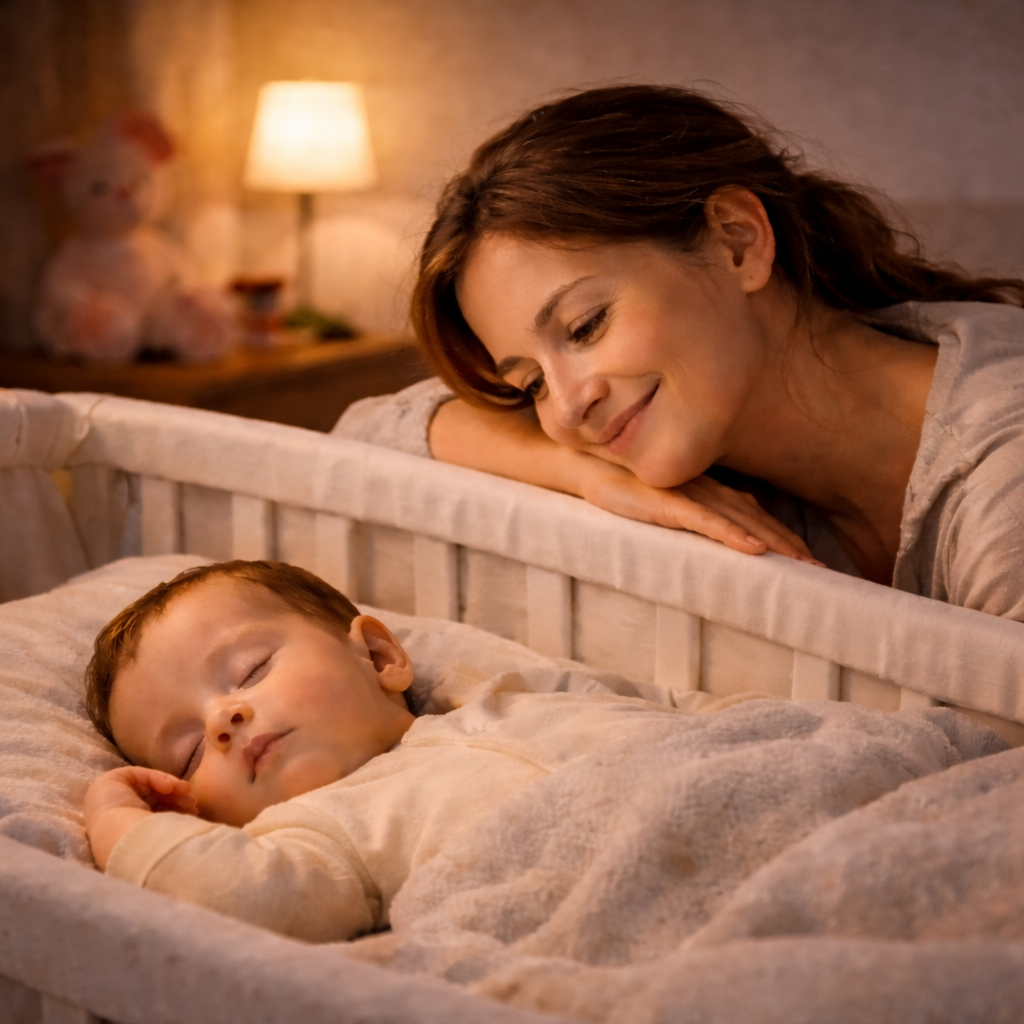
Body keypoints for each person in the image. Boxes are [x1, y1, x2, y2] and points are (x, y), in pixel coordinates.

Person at [335, 85, 1024, 620]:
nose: (570, 406)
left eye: (586, 326)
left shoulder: (1003, 473)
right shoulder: (718, 456)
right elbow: (364, 438)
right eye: (532, 385)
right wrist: (583, 475)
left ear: (737, 241)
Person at [82, 558, 737, 941]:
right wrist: (118, 821)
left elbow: (673, 710)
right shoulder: (320, 837)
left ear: (378, 655)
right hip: (641, 922)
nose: (224, 718)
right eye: (191, 752)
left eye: (251, 670)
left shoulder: (498, 694)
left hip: (738, 797)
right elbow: (232, 895)